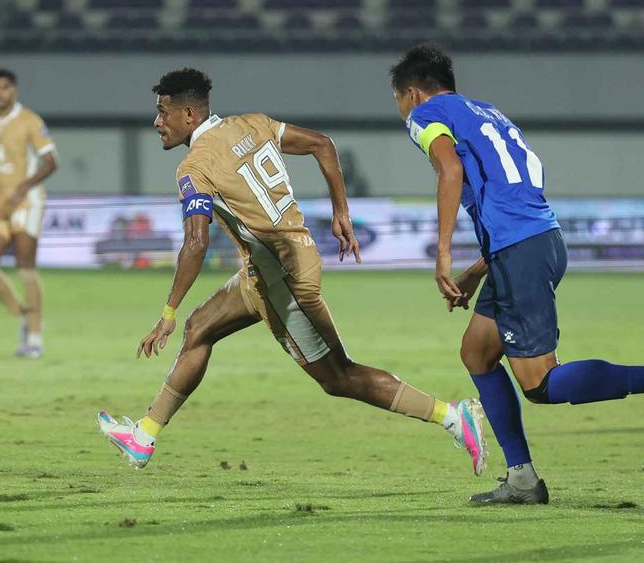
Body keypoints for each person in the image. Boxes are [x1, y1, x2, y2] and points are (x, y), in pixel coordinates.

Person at [96, 68, 486, 476]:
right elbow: (323, 145)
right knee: (200, 330)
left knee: (340, 377)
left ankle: (453, 417)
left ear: (189, 114)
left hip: (284, 282)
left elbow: (196, 243)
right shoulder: (253, 124)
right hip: (266, 269)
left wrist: (167, 312)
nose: (157, 122)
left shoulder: (194, 168)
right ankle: (143, 437)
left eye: (163, 113)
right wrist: (341, 212)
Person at [391, 43, 644, 506]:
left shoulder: (425, 116)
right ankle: (522, 478)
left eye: (400, 101)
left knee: (540, 383)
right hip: (532, 242)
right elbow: (510, 201)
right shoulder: (487, 113)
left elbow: (450, 170)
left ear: (414, 94)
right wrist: (477, 271)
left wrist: (442, 253)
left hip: (522, 249)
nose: (402, 112)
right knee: (478, 353)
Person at [0, 68, 57, 359]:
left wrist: (24, 187)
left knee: (25, 265)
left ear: (14, 90)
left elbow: (51, 162)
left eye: (5, 88)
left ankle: (34, 335)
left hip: (27, 202)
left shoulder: (29, 121)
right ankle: (23, 314)